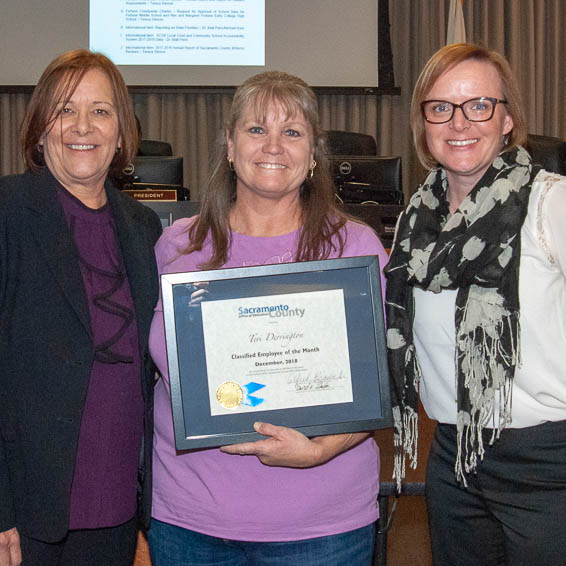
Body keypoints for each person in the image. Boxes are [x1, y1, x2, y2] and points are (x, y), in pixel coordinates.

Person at [147, 71, 389, 566]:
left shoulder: (355, 248)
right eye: (256, 129)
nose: (273, 146)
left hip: (323, 523)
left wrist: (323, 449)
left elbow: (386, 379)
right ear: (230, 147)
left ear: (314, 152)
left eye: (292, 132)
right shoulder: (176, 247)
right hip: (190, 518)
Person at [385, 43, 566, 566]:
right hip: (453, 459)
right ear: (424, 122)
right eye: (440, 107)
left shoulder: (549, 202)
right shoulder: (414, 222)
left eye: (479, 105)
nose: (459, 122)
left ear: (507, 118)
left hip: (546, 465)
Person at [0, 50, 162, 566]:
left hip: (116, 503)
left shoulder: (142, 228)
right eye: (65, 109)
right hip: (28, 508)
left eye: (101, 110)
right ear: (40, 128)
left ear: (120, 133)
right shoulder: (8, 213)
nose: (82, 126)